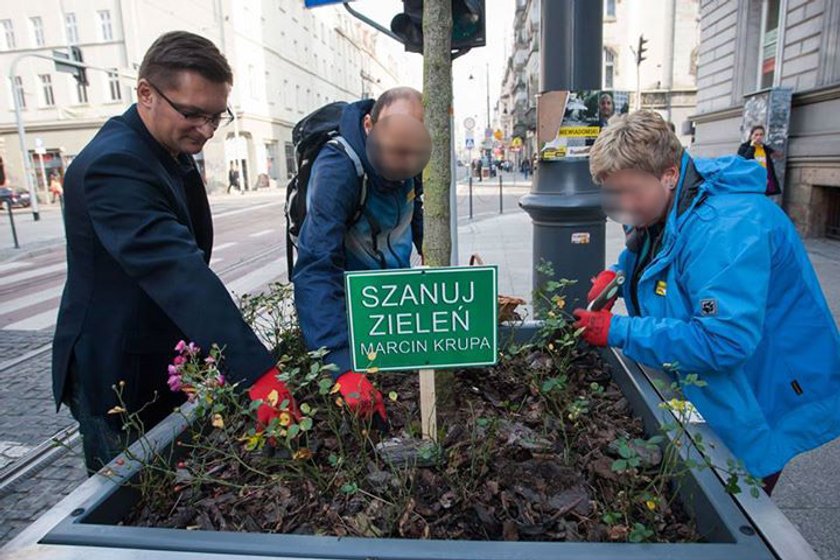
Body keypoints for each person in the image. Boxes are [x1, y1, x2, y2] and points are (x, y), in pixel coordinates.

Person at [53, 31, 296, 475]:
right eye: (192, 114)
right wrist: (258, 372)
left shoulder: (162, 146)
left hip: (156, 355)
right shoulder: (116, 164)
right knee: (132, 502)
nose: (205, 129)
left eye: (215, 117)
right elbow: (179, 272)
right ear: (146, 93)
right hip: (118, 371)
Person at [572, 110, 840, 495]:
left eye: (630, 192)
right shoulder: (668, 197)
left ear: (669, 173)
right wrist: (617, 272)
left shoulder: (726, 231)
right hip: (723, 387)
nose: (622, 205)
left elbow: (723, 341)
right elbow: (655, 248)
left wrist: (619, 330)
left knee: (740, 501)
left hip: (764, 393)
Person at [292, 87, 428, 424]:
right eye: (396, 150)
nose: (404, 164)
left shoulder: (412, 154)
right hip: (349, 319)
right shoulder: (338, 169)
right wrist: (341, 364)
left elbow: (418, 209)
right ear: (369, 125)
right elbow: (315, 267)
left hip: (393, 311)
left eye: (412, 152)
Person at [738, 124, 783, 196]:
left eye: (761, 135)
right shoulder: (745, 147)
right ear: (751, 135)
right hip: (751, 179)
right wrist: (752, 147)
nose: (758, 137)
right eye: (756, 135)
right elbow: (744, 161)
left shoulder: (765, 148)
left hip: (764, 180)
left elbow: (775, 158)